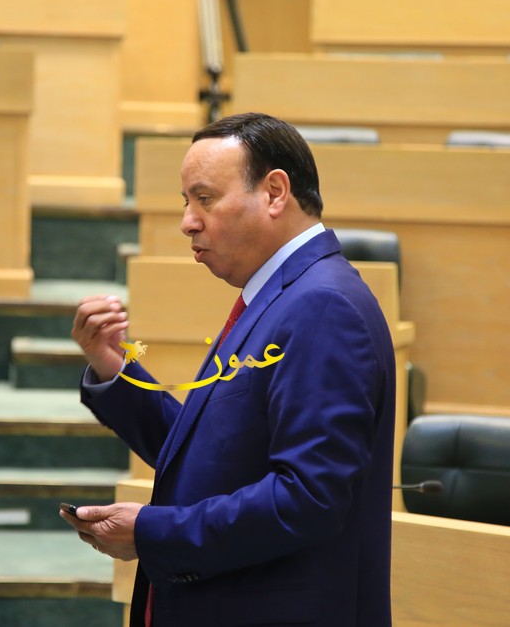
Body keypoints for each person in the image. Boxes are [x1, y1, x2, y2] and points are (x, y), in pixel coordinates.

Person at [66, 112, 396, 626]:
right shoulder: (280, 295)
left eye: (205, 198)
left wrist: (153, 532)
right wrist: (115, 371)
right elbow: (212, 452)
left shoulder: (322, 306)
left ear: (274, 193)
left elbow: (308, 498)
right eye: (186, 202)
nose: (187, 222)